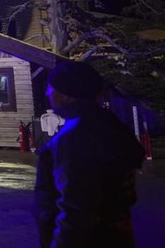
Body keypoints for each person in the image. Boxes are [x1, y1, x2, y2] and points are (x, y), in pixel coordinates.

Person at [34, 61, 145, 248]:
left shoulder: (76, 136)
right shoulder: (107, 124)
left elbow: (77, 208)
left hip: (90, 240)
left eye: (51, 88)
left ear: (66, 95)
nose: (47, 94)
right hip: (115, 236)